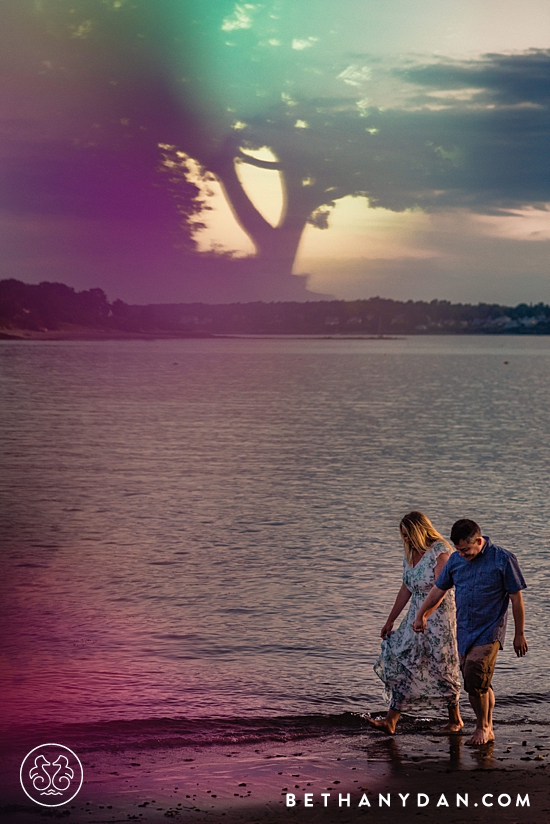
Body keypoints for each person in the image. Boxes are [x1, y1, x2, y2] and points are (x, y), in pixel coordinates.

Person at [413, 518, 527, 746]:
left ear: (478, 540)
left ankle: (482, 728)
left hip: (490, 631)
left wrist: (519, 634)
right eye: (458, 550)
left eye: (466, 550)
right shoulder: (455, 560)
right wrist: (421, 614)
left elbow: (516, 599)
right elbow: (438, 590)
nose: (462, 555)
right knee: (478, 682)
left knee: (475, 676)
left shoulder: (503, 559)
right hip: (464, 630)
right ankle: (489, 725)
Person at [366, 511, 463, 735]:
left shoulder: (440, 551)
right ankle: (391, 720)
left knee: (442, 665)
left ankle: (455, 719)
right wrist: (390, 620)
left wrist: (426, 615)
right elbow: (406, 589)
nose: (406, 540)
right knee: (405, 660)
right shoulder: (410, 557)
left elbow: (443, 587)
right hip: (414, 618)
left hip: (438, 618)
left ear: (420, 531)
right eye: (403, 536)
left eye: (408, 535)